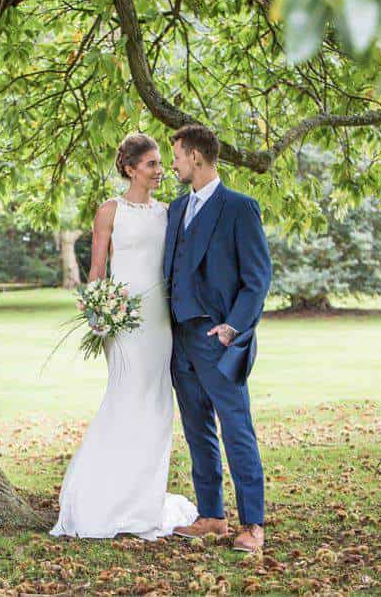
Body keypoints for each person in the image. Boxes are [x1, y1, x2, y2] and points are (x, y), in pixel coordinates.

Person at [50, 133, 197, 540]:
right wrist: (99, 313)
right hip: (123, 322)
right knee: (124, 399)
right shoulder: (109, 211)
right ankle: (101, 496)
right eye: (151, 164)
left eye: (160, 163)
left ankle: (142, 498)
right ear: (131, 168)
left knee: (155, 406)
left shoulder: (168, 213)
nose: (159, 170)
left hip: (159, 323)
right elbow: (97, 271)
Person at [163, 124, 271, 553]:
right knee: (197, 430)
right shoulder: (175, 209)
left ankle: (253, 524)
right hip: (179, 338)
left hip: (218, 339)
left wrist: (234, 327)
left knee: (236, 428)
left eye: (176, 155)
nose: (172, 163)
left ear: (195, 156)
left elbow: (257, 278)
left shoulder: (239, 208)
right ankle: (211, 516)